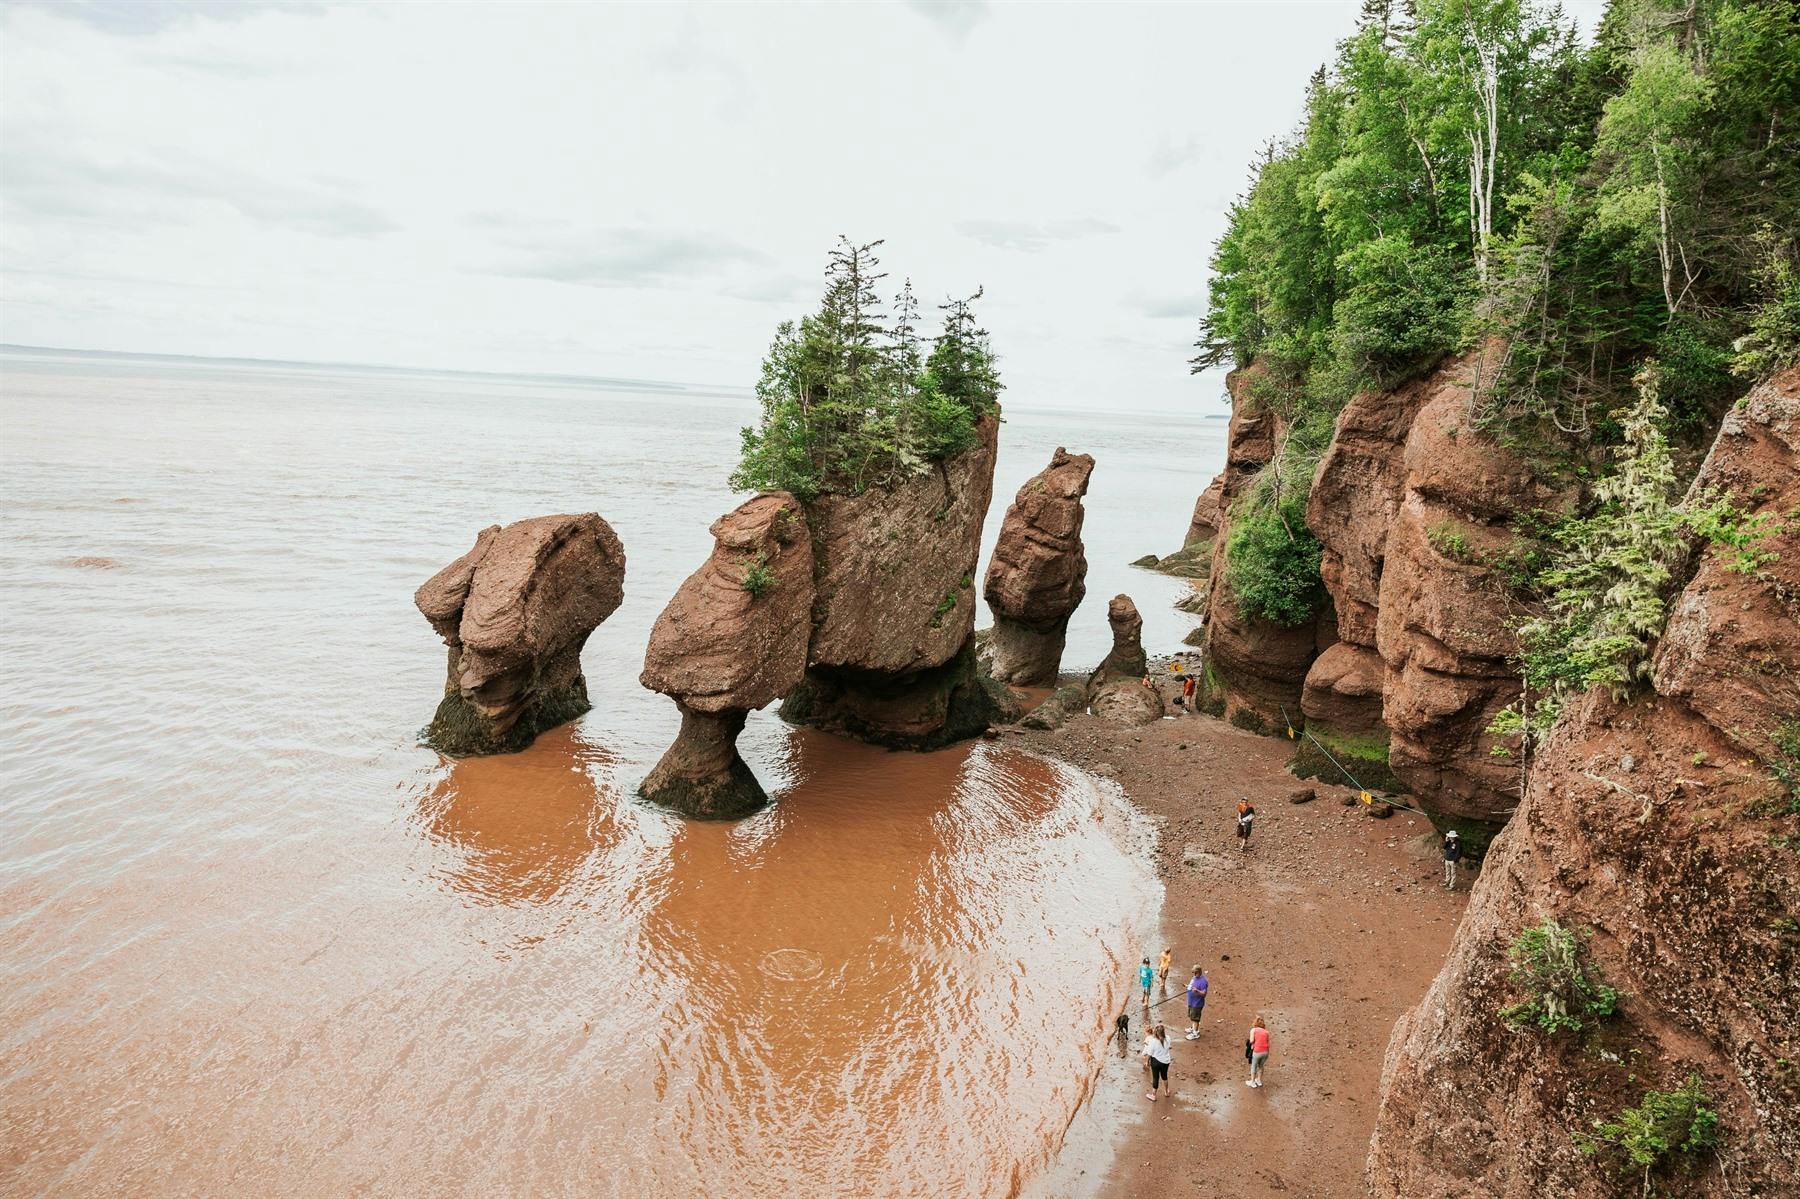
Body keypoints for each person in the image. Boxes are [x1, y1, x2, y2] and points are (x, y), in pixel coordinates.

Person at [1142, 1023, 1172, 1101]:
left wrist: (1147, 1062)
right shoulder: (1168, 1038)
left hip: (1156, 1062)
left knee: (1156, 1077)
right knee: (1164, 1076)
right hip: (1166, 1061)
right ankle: (1166, 1091)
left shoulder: (1153, 1041)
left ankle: (1154, 1095)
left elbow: (1149, 1054)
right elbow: (1168, 1047)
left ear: (1155, 1032)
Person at [1246, 1016, 1271, 1088]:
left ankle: (1253, 1082)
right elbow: (1268, 1042)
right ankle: (1259, 1081)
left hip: (1257, 1051)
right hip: (1266, 1052)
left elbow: (1251, 1041)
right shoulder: (1267, 1032)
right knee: (1261, 1066)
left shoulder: (1253, 1030)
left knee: (1254, 1066)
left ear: (1255, 1023)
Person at [1184, 965, 1208, 1039]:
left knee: (1195, 1018)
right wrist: (1187, 986)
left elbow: (1204, 994)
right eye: (1193, 973)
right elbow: (1192, 986)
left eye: (1195, 973)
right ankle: (1193, 1028)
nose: (1194, 974)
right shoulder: (1194, 978)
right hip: (1191, 1001)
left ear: (1199, 972)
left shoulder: (1203, 981)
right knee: (1192, 1016)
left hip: (1197, 1003)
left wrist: (1197, 991)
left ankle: (1195, 1033)